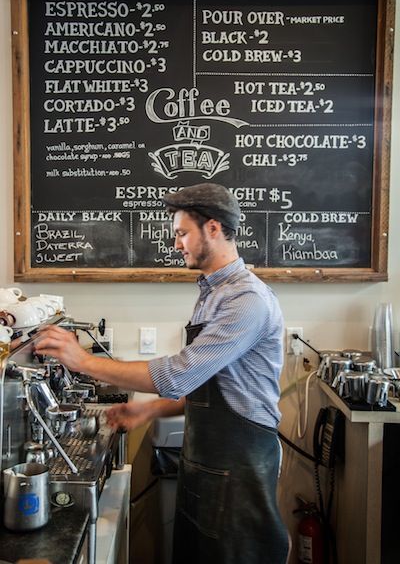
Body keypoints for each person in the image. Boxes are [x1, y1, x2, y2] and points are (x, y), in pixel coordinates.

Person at [35, 182, 289, 564]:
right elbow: (213, 384)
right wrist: (150, 411)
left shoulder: (246, 300)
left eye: (182, 233)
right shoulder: (213, 292)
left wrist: (81, 361)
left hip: (239, 465)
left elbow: (178, 375)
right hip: (208, 461)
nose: (176, 245)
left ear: (214, 228)